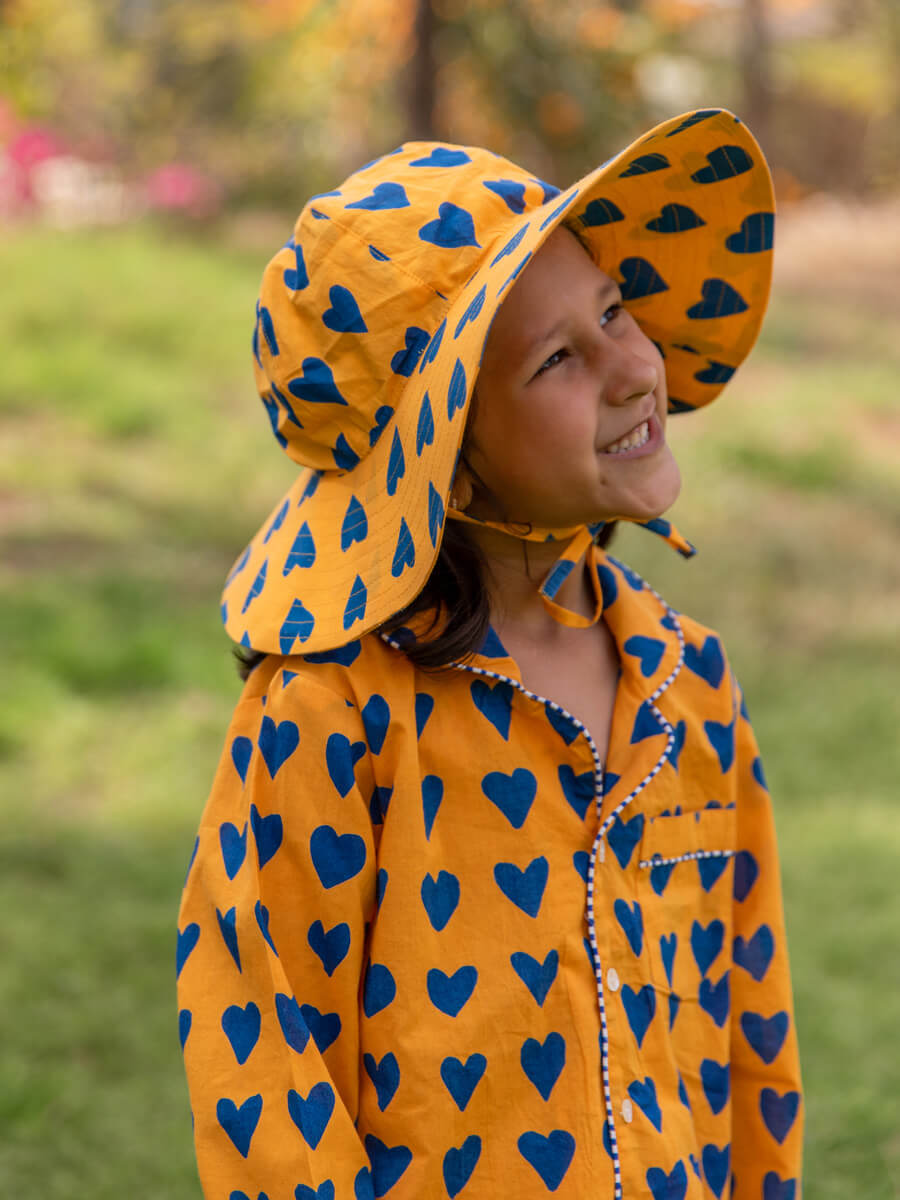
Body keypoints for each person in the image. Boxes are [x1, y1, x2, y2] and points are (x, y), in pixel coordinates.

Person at [176, 108, 803, 1200]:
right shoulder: (333, 715)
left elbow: (751, 1029)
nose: (633, 366)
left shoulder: (690, 683)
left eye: (613, 309)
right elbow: (268, 1067)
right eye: (557, 359)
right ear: (446, 462)